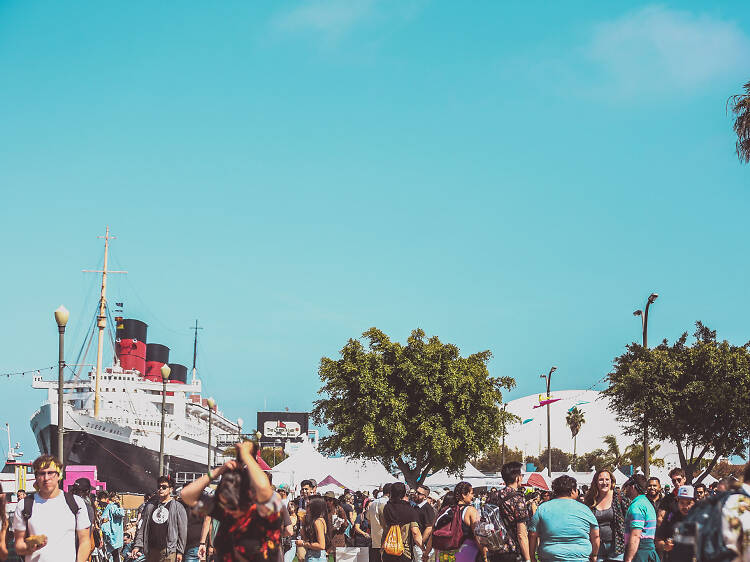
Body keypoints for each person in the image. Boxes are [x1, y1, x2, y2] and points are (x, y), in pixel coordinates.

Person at [180, 440, 282, 562]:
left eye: (233, 506)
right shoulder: (225, 511)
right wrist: (219, 471)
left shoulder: (264, 512)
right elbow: (186, 495)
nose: (229, 511)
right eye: (224, 505)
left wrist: (247, 456)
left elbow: (264, 489)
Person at [13, 454, 92, 562]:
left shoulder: (75, 503)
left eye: (50, 473)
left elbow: (85, 540)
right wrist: (30, 546)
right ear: (36, 477)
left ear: (59, 475)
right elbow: (18, 545)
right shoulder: (24, 505)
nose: (46, 478)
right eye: (41, 473)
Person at [528, 475, 599, 562]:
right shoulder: (585, 509)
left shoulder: (543, 508)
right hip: (580, 557)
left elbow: (532, 534)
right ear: (573, 491)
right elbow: (595, 536)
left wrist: (531, 556)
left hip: (550, 557)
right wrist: (594, 555)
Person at [132, 475, 187, 562]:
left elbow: (182, 531)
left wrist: (180, 551)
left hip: (168, 551)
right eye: (159, 487)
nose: (160, 489)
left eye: (164, 487)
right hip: (151, 550)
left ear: (171, 489)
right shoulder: (150, 506)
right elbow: (142, 527)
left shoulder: (177, 507)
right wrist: (137, 545)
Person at [486, 461, 530, 562]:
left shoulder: (492, 496)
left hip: (494, 549)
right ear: (517, 478)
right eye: (521, 475)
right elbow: (521, 534)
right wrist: (528, 559)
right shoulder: (518, 499)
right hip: (512, 551)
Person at [584, 469, 629, 562]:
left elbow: (630, 519)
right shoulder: (590, 500)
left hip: (617, 547)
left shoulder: (619, 497)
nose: (604, 482)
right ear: (596, 482)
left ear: (611, 481)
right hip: (597, 547)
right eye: (601, 480)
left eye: (607, 479)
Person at [382, 482, 422, 562]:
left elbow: (384, 526)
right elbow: (415, 532)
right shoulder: (410, 510)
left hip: (388, 548)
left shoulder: (387, 508)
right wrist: (424, 549)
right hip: (404, 551)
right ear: (404, 493)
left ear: (391, 493)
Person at [621, 475, 657, 562]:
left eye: (627, 487)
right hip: (648, 552)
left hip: (639, 553)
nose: (626, 490)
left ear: (633, 487)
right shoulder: (647, 503)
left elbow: (636, 535)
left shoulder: (636, 506)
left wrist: (629, 559)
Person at [654, 486, 694, 561]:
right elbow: (658, 540)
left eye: (688, 503)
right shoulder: (670, 518)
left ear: (694, 502)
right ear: (677, 501)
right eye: (682, 503)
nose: (685, 506)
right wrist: (665, 546)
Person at [452, 482, 479, 562]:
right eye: (471, 493)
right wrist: (485, 555)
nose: (472, 496)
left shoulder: (447, 510)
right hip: (466, 554)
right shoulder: (470, 510)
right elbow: (478, 536)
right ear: (464, 495)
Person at [368, 482, 393, 562]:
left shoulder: (373, 503)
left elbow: (368, 519)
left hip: (375, 538)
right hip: (387, 538)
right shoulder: (389, 503)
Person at [299, 496, 329, 562]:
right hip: (312, 556)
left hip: (316, 557)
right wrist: (303, 523)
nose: (306, 509)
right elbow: (306, 539)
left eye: (308, 506)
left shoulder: (318, 521)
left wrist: (303, 544)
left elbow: (321, 545)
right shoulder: (316, 521)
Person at [101, 491, 126, 562]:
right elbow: (121, 513)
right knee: (115, 555)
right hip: (113, 535)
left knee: (111, 554)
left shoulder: (109, 506)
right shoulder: (113, 506)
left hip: (111, 535)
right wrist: (120, 505)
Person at [413, 485, 436, 562]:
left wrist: (421, 543)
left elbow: (429, 527)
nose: (415, 494)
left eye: (419, 493)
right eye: (416, 492)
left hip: (424, 546)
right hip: (417, 545)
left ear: (425, 497)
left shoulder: (427, 508)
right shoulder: (416, 507)